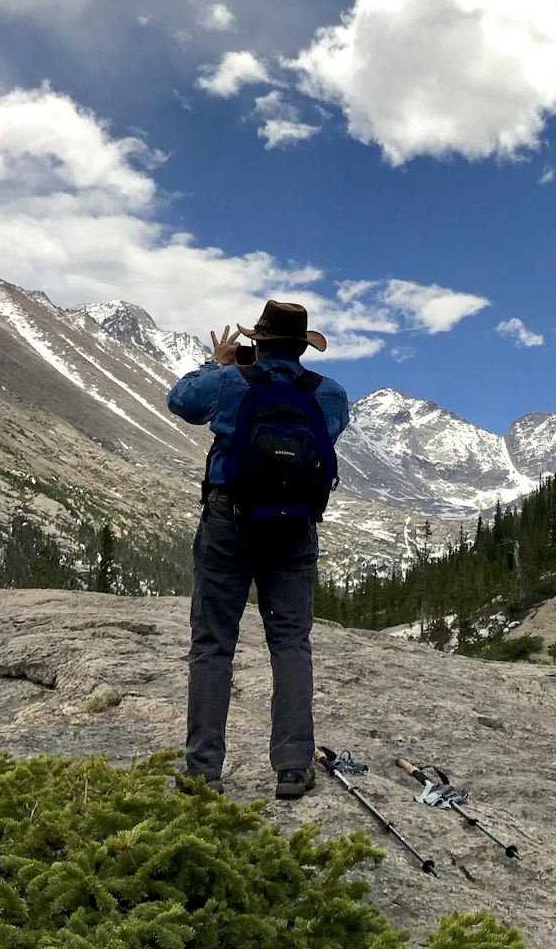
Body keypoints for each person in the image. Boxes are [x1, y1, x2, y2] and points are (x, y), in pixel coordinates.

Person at [167, 301, 349, 798]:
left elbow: (180, 402)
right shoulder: (330, 393)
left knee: (212, 645)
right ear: (302, 346)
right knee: (290, 643)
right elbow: (328, 436)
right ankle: (292, 767)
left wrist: (219, 363)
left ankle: (203, 770)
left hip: (229, 519)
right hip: (294, 526)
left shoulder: (230, 380)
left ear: (258, 341)